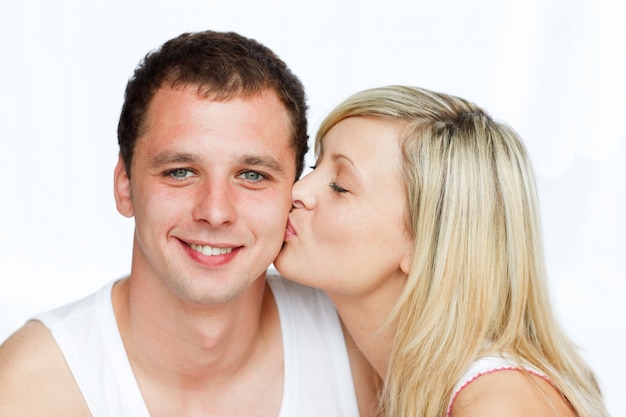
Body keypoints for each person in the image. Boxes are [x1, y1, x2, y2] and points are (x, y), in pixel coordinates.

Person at [0, 30, 377, 417]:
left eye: (252, 175)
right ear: (125, 187)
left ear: (294, 194)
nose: (215, 212)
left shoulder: (363, 353)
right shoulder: (28, 389)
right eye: (181, 172)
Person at [274, 85, 609, 417]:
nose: (298, 190)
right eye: (315, 168)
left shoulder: (498, 403)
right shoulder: (405, 384)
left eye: (341, 186)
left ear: (426, 243)